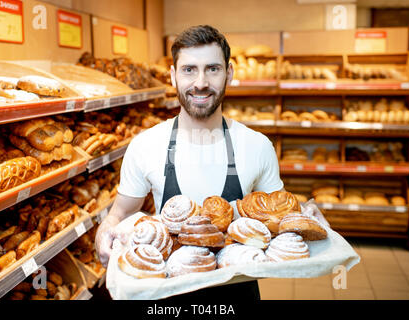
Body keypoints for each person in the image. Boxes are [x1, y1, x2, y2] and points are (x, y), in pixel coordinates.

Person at [95, 25, 287, 300]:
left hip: (237, 293)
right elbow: (120, 215)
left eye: (212, 69)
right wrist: (105, 231)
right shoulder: (145, 145)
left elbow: (278, 218)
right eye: (189, 70)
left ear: (228, 74)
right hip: (166, 295)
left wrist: (307, 211)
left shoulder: (257, 146)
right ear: (173, 76)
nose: (200, 82)